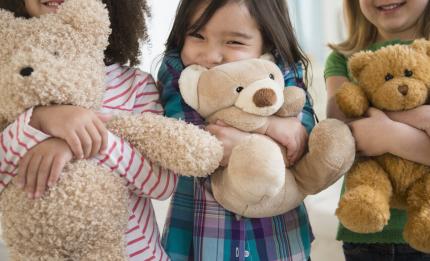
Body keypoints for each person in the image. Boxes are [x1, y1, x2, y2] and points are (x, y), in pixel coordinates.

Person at [0, 0, 176, 260]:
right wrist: (37, 122)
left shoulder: (135, 85)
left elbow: (161, 185)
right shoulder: (10, 83)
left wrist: (81, 141)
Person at [158, 0, 317, 260]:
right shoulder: (181, 76)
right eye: (197, 35)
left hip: (278, 240)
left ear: (267, 43)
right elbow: (187, 136)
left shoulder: (283, 74)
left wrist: (254, 136)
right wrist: (270, 131)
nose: (210, 56)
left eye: (233, 42)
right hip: (199, 241)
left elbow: (300, 141)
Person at [324, 0, 430, 260]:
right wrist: (420, 118)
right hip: (365, 237)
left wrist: (388, 134)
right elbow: (342, 132)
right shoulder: (344, 59)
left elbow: (367, 129)